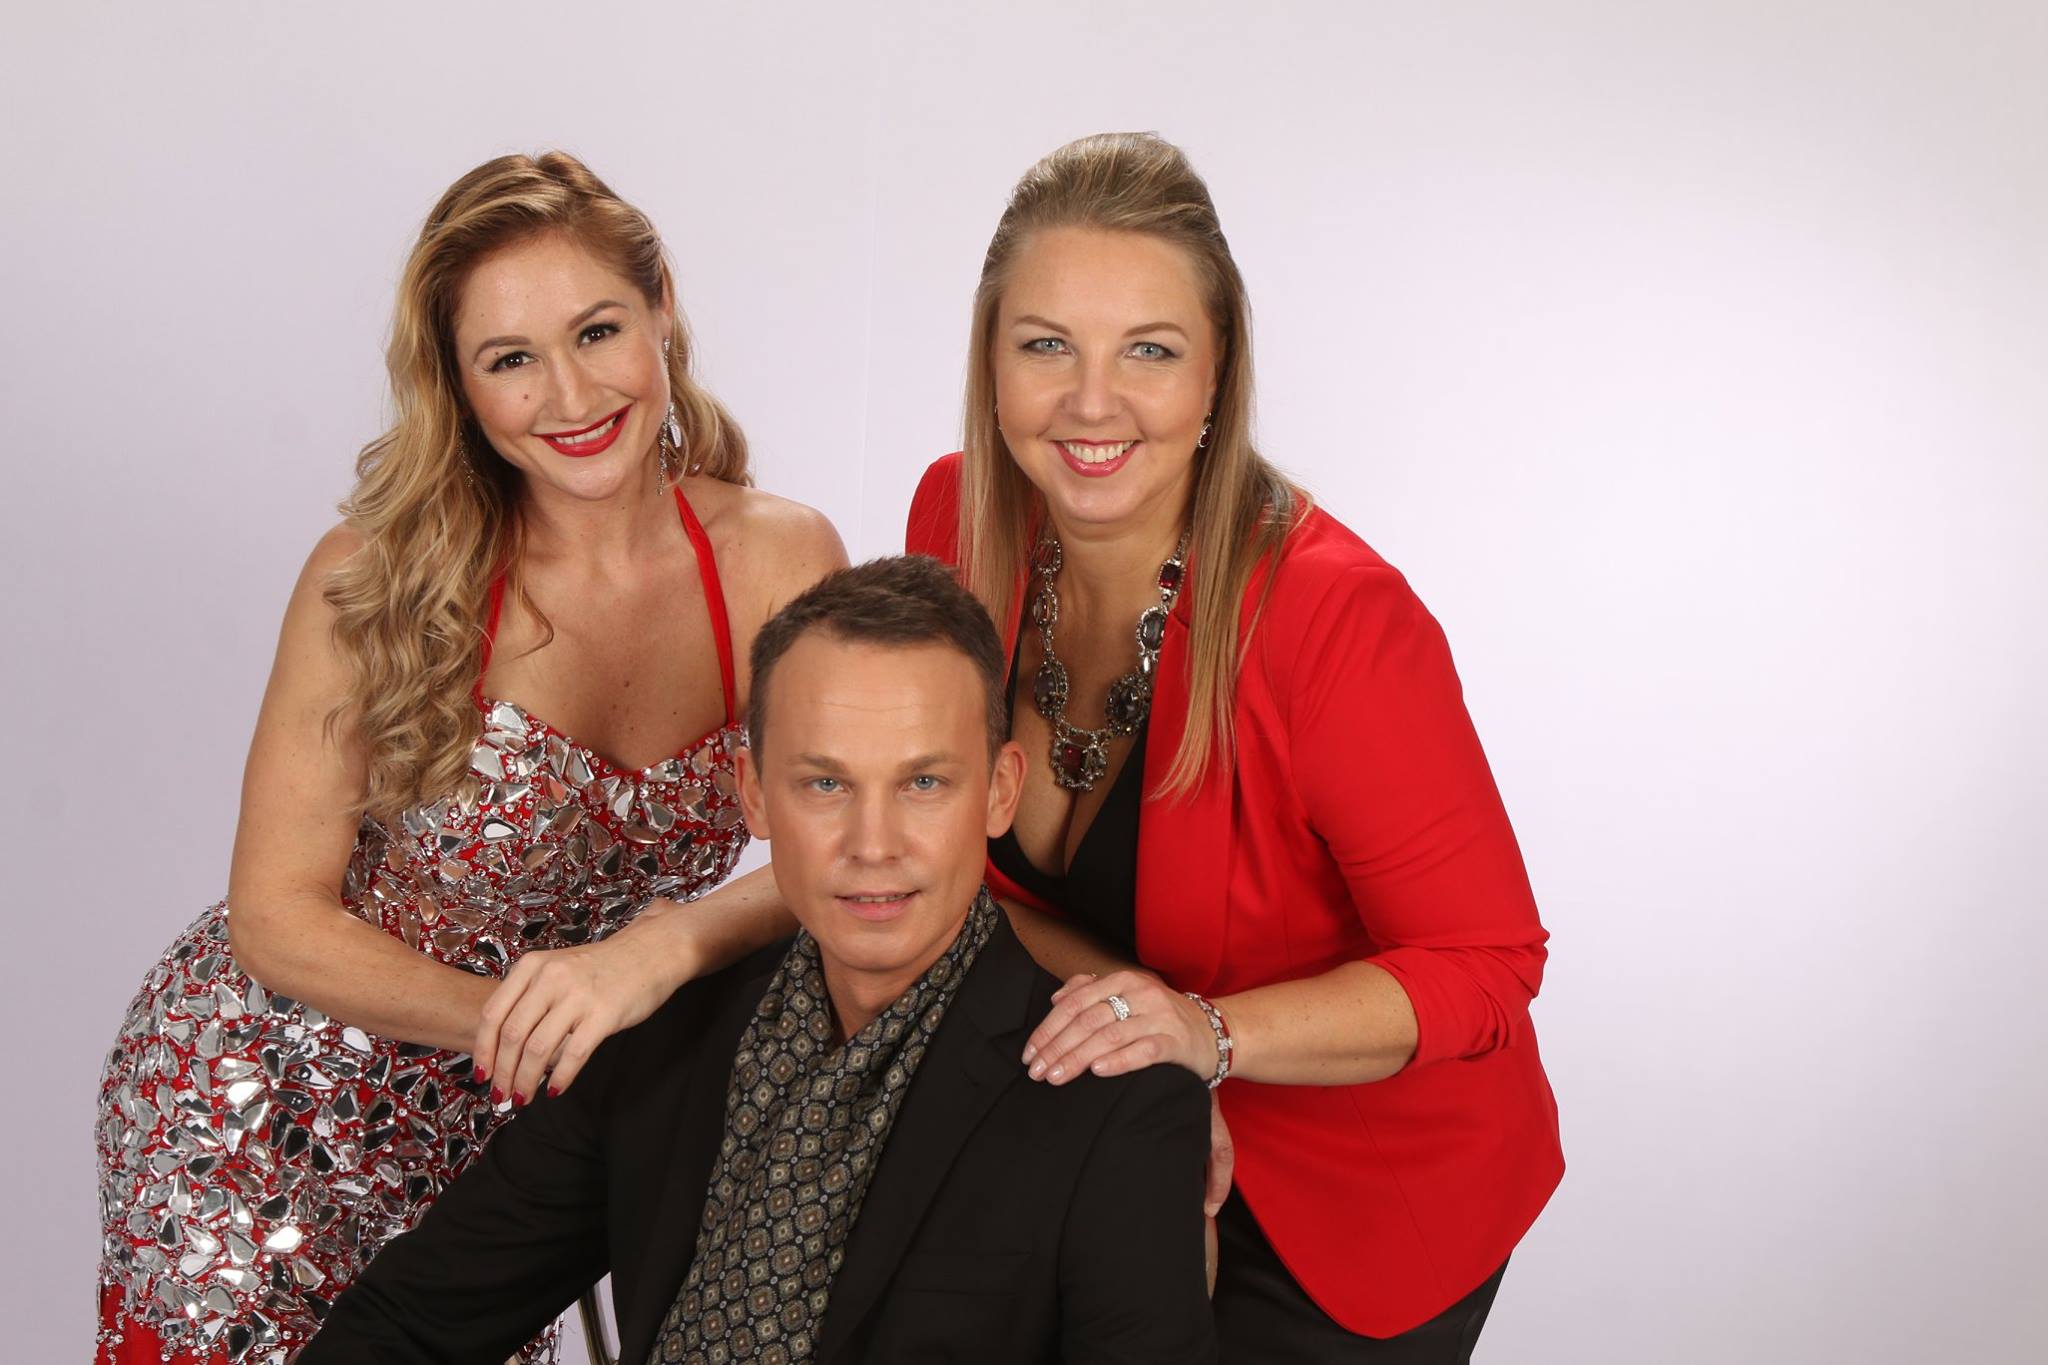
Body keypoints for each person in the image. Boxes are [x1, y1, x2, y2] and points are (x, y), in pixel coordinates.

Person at [92, 151, 845, 1364]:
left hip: (516, 1148)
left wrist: (656, 951)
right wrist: (530, 1026)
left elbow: (852, 846)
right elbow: (276, 917)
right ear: (457, 384)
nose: (569, 393)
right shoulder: (372, 576)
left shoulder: (779, 558)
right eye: (509, 359)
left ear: (660, 311)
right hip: (266, 1112)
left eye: (597, 330)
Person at [900, 132, 1564, 1361]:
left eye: (1147, 351)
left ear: (1216, 378)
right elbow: (956, 876)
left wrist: (1204, 1039)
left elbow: (1484, 968)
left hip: (1355, 1202)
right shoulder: (959, 519)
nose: (1089, 403)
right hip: (1109, 1132)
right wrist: (1147, 1051)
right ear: (989, 360)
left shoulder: (1335, 622)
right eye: (1045, 345)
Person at [299, 555, 1216, 1365]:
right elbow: (411, 1323)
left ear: (1000, 791)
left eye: (924, 781)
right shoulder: (660, 1039)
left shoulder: (1121, 1105)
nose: (873, 844)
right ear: (755, 793)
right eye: (826, 782)